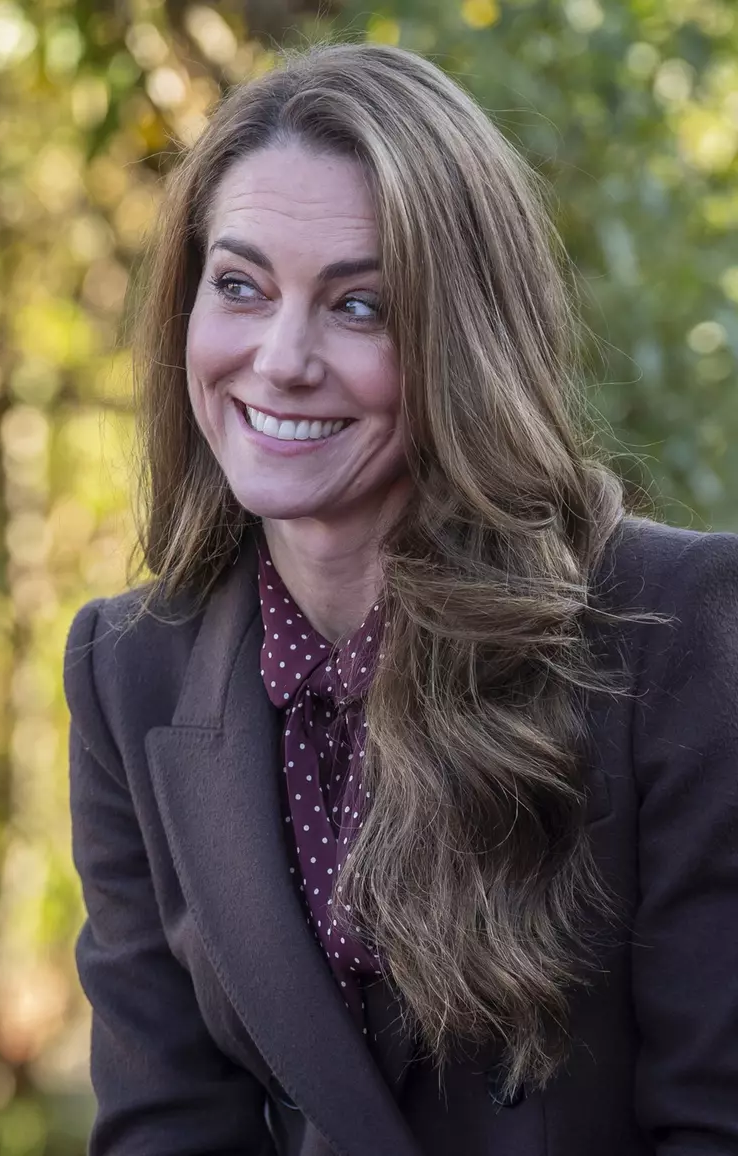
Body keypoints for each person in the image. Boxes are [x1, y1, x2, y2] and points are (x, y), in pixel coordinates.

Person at [63, 41, 738, 1156]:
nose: (280, 360)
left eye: (359, 305)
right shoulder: (127, 669)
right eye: (239, 286)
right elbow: (166, 1128)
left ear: (462, 338)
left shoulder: (676, 626)